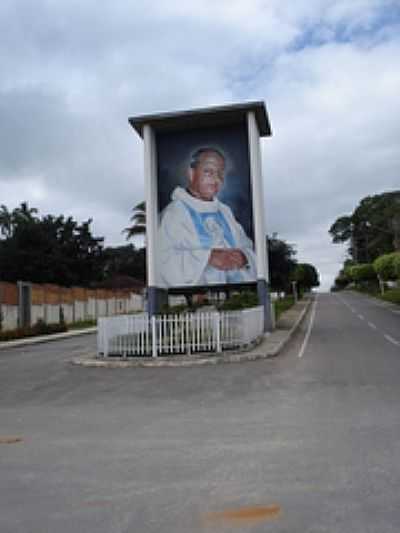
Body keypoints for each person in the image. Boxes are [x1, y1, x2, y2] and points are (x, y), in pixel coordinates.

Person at [158, 147, 257, 287]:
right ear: (191, 173)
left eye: (220, 174)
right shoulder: (173, 214)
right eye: (208, 172)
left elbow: (247, 246)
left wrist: (244, 257)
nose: (217, 180)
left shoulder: (224, 211)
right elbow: (162, 262)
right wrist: (207, 257)